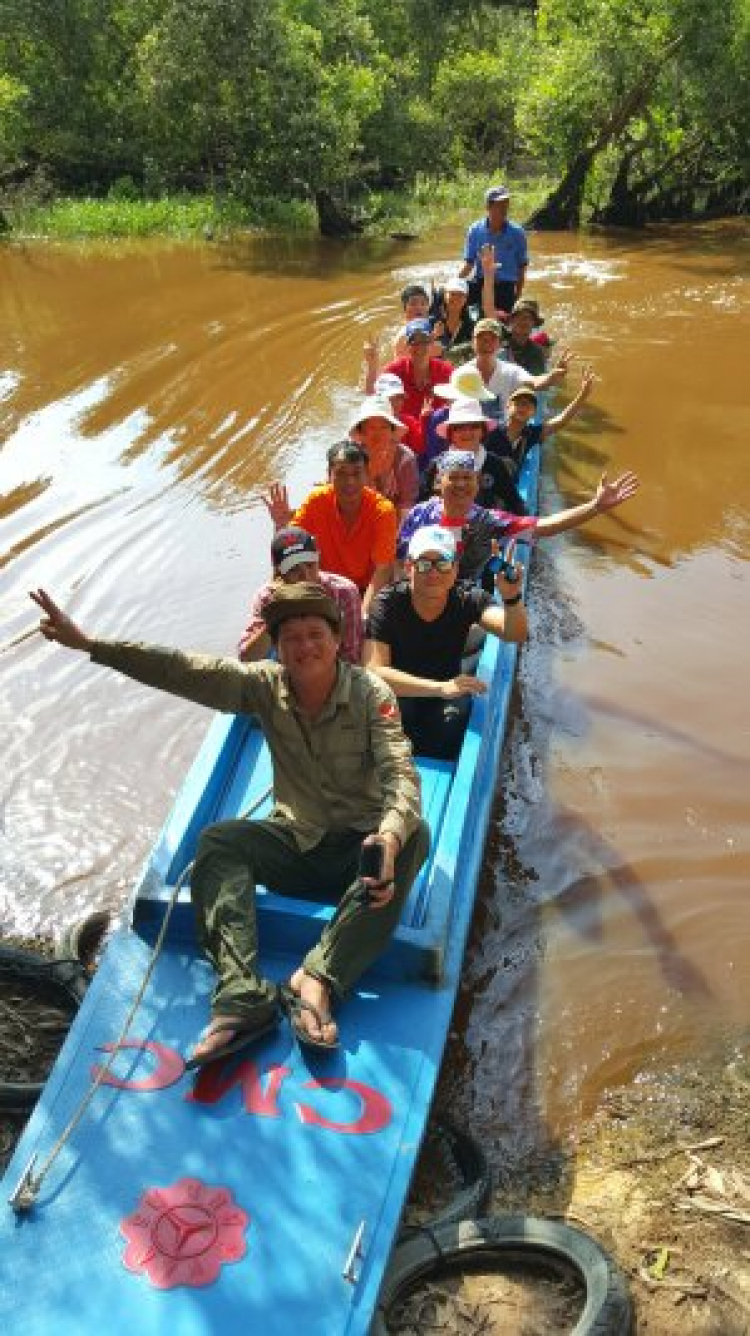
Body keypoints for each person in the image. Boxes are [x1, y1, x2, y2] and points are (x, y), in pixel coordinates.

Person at [30, 583, 429, 1061]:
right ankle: (243, 996)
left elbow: (400, 774)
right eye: (292, 638)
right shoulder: (262, 686)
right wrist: (92, 645)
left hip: (359, 855)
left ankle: (317, 979)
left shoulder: (371, 693)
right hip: (298, 843)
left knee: (413, 837)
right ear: (277, 648)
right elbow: (183, 669)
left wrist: (386, 838)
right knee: (219, 842)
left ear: (339, 638)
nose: (305, 647)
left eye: (315, 633)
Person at [364, 527, 528, 760]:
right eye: (424, 564)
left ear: (455, 569)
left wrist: (511, 598)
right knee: (395, 713)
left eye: (443, 563)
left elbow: (515, 633)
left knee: (453, 720)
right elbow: (374, 673)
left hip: (446, 697)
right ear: (409, 567)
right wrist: (439, 687)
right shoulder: (388, 603)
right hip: (402, 693)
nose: (433, 573)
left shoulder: (467, 598)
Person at [397, 450, 640, 583]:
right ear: (440, 482)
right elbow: (398, 561)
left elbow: (543, 526)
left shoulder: (489, 522)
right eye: (454, 477)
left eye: (467, 478)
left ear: (478, 483)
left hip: (461, 606)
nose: (460, 484)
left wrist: (595, 507)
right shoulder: (421, 514)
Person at [262, 442, 397, 611]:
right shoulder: (316, 501)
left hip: (366, 591)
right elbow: (290, 549)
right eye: (340, 473)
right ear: (329, 475)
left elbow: (383, 570)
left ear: (367, 475)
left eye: (357, 473)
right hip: (325, 588)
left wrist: (362, 613)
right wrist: (281, 526)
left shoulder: (383, 511)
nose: (349, 482)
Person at [238, 526, 363, 665]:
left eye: (310, 565)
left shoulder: (345, 592)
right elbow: (247, 658)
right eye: (294, 569)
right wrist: (277, 611)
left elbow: (351, 658)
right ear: (279, 572)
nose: (306, 576)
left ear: (318, 557)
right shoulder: (267, 597)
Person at [489, 366, 596, 485]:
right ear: (508, 407)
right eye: (519, 403)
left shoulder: (530, 435)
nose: (523, 408)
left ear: (533, 413)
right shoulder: (491, 431)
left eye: (528, 405)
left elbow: (561, 421)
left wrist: (582, 396)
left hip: (507, 491)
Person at [426, 397, 527, 513]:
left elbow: (514, 504)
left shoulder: (495, 464)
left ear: (482, 431)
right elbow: (422, 503)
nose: (467, 433)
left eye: (474, 426)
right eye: (459, 428)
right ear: (450, 433)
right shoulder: (436, 465)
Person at [467, 318, 573, 421]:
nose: (487, 343)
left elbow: (534, 382)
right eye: (482, 338)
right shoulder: (462, 374)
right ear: (472, 343)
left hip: (501, 435)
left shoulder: (511, 371)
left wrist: (550, 378)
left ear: (499, 344)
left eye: (492, 339)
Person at [459, 184, 529, 315]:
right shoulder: (475, 230)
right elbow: (469, 264)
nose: (504, 208)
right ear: (488, 207)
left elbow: (522, 267)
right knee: (459, 305)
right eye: (499, 204)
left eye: (506, 204)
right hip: (481, 283)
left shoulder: (517, 233)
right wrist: (455, 283)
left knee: (504, 325)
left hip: (506, 286)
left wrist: (518, 295)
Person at [348, 395, 420, 518]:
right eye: (371, 428)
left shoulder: (405, 459)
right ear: (361, 432)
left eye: (384, 427)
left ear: (392, 431)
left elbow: (407, 505)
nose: (378, 434)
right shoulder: (349, 458)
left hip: (393, 521)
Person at [380, 319, 454, 418]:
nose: (419, 347)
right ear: (407, 345)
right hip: (405, 430)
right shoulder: (393, 371)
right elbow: (374, 397)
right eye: (414, 342)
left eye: (424, 341)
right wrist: (372, 366)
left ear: (432, 342)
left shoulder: (447, 371)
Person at [373, 372, 424, 457]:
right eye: (391, 398)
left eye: (399, 397)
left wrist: (424, 421)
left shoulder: (410, 423)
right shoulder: (366, 423)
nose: (396, 403)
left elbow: (419, 449)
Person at [501, 299, 551, 375]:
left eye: (529, 318)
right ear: (511, 321)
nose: (524, 321)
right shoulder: (497, 343)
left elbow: (536, 382)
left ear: (534, 324)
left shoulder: (536, 352)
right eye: (519, 317)